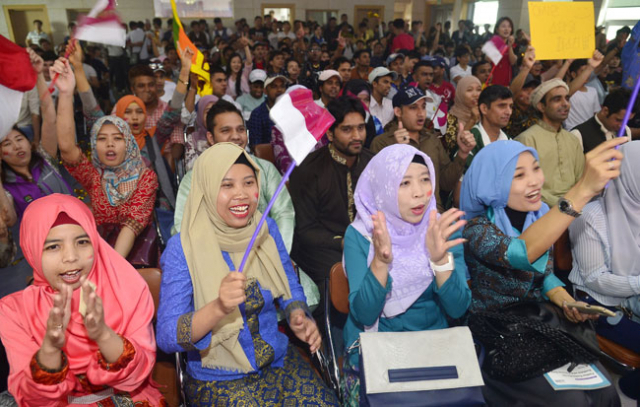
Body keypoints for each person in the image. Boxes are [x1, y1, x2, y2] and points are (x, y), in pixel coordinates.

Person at [156, 143, 337, 406]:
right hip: (218, 377)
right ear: (206, 189)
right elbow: (167, 336)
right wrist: (218, 307)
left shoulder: (265, 229)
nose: (241, 194)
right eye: (227, 185)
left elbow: (288, 284)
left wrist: (298, 314)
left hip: (277, 363)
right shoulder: (183, 248)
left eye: (249, 183)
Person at [460, 138, 626, 406]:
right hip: (499, 330)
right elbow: (522, 253)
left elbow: (544, 275)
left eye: (536, 169)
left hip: (539, 322)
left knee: (605, 393)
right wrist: (582, 188)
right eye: (519, 175)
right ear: (493, 183)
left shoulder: (539, 216)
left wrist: (566, 300)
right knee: (570, 401)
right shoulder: (477, 229)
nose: (535, 181)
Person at [0, 194, 164, 406]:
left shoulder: (125, 289)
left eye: (82, 242)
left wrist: (104, 335)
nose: (71, 257)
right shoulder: (15, 311)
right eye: (53, 246)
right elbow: (33, 399)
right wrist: (50, 349)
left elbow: (138, 374)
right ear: (31, 247)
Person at [340, 144, 471, 405]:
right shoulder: (363, 234)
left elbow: (458, 309)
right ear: (384, 188)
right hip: (377, 348)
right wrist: (380, 261)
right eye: (404, 183)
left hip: (434, 347)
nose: (419, 194)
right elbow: (364, 314)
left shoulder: (440, 229)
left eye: (425, 180)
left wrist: (439, 261)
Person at [53, 58, 158, 260]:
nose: (109, 144)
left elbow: (131, 225)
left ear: (128, 144)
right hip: (98, 251)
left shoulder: (146, 177)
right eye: (102, 139)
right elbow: (66, 148)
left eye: (117, 138)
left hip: (131, 257)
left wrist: (111, 267)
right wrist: (65, 93)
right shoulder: (94, 177)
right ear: (95, 146)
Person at [172, 100, 295, 256]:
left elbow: (283, 213)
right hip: (214, 257)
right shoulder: (196, 177)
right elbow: (183, 224)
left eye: (240, 129)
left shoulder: (265, 169)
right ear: (211, 137)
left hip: (265, 252)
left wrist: (277, 255)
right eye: (226, 130)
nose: (236, 136)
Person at [289, 97, 374, 321]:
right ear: (329, 133)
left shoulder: (373, 163)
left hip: (368, 241)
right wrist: (343, 242)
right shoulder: (308, 170)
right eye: (347, 129)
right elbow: (304, 230)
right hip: (322, 247)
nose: (357, 136)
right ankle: (339, 337)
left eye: (360, 128)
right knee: (342, 274)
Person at [569, 141, 640, 356]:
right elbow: (594, 278)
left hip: (633, 299)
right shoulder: (590, 216)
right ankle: (629, 388)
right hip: (596, 305)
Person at [2, 49, 84, 219]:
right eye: (7, 144)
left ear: (29, 142)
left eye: (19, 139)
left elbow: (49, 115)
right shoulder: (7, 188)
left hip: (77, 228)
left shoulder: (45, 160)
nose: (17, 146)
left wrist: (38, 74)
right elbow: (9, 219)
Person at [371, 86, 473, 211]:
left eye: (423, 107)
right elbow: (379, 188)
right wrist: (398, 150)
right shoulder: (382, 143)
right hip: (399, 216)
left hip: (433, 213)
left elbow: (446, 184)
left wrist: (462, 154)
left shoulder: (432, 139)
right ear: (398, 112)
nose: (420, 113)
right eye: (413, 108)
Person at [516, 79, 585, 206]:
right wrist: (561, 206)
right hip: (540, 210)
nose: (565, 104)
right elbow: (526, 184)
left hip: (574, 207)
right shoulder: (526, 139)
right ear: (541, 107)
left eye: (567, 99)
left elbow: (581, 179)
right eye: (557, 99)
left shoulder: (572, 139)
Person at [571, 88, 634, 154]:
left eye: (627, 121)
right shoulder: (578, 135)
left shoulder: (626, 130)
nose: (622, 125)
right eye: (618, 120)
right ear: (605, 111)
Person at [442, 76, 482, 157]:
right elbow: (452, 150)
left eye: (478, 90)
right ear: (460, 93)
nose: (475, 94)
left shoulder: (485, 114)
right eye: (469, 90)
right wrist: (472, 120)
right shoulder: (450, 118)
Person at [247, 74, 288, 146]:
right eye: (274, 87)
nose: (279, 90)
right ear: (265, 91)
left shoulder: (291, 111)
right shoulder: (257, 114)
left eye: (282, 86)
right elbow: (256, 145)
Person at [489, 17, 517, 87]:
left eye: (509, 26)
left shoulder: (513, 44)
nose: (506, 29)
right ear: (497, 29)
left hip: (506, 79)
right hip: (493, 78)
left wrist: (509, 46)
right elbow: (488, 59)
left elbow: (513, 61)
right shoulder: (492, 42)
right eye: (503, 26)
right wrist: (500, 43)